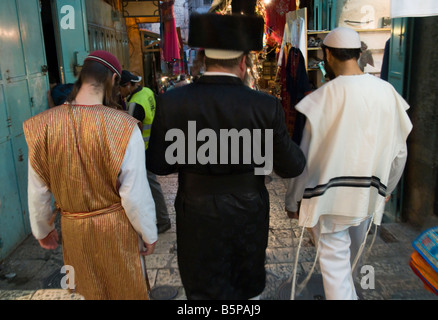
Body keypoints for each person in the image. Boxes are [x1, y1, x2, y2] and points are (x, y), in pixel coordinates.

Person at [146, 9, 306, 300]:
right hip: (247, 213)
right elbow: (292, 166)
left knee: (202, 290)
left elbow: (158, 163)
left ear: (204, 60)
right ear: (243, 63)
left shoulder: (172, 101)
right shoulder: (265, 106)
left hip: (195, 211)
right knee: (245, 290)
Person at [285, 27, 413, 300]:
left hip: (329, 200)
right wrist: (387, 189)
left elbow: (305, 158)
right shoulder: (387, 92)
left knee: (336, 271)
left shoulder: (322, 98)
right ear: (359, 53)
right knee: (350, 266)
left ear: (328, 55)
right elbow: (399, 153)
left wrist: (294, 200)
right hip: (367, 195)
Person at [23, 50, 158, 300]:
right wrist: (148, 232)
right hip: (116, 230)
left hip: (74, 231)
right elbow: (134, 194)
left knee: (85, 292)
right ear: (113, 81)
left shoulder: (41, 125)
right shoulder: (123, 126)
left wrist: (42, 228)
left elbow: (38, 189)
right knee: (126, 290)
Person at [120, 70, 171, 233]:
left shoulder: (135, 104)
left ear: (128, 85)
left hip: (144, 149)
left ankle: (163, 219)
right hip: (155, 143)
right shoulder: (147, 91)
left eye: (119, 88)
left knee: (150, 183)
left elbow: (130, 130)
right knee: (148, 183)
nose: (118, 92)